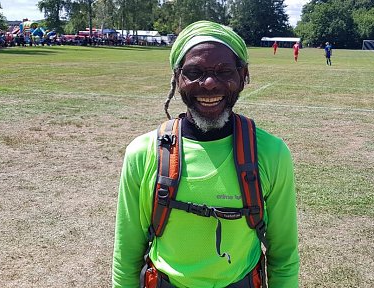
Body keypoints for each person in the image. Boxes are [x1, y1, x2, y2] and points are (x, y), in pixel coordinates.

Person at [112, 20, 299, 288]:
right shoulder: (143, 153)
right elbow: (126, 255)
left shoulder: (270, 153)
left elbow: (284, 255)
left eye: (224, 71)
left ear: (243, 76)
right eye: (194, 71)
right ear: (177, 79)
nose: (209, 83)